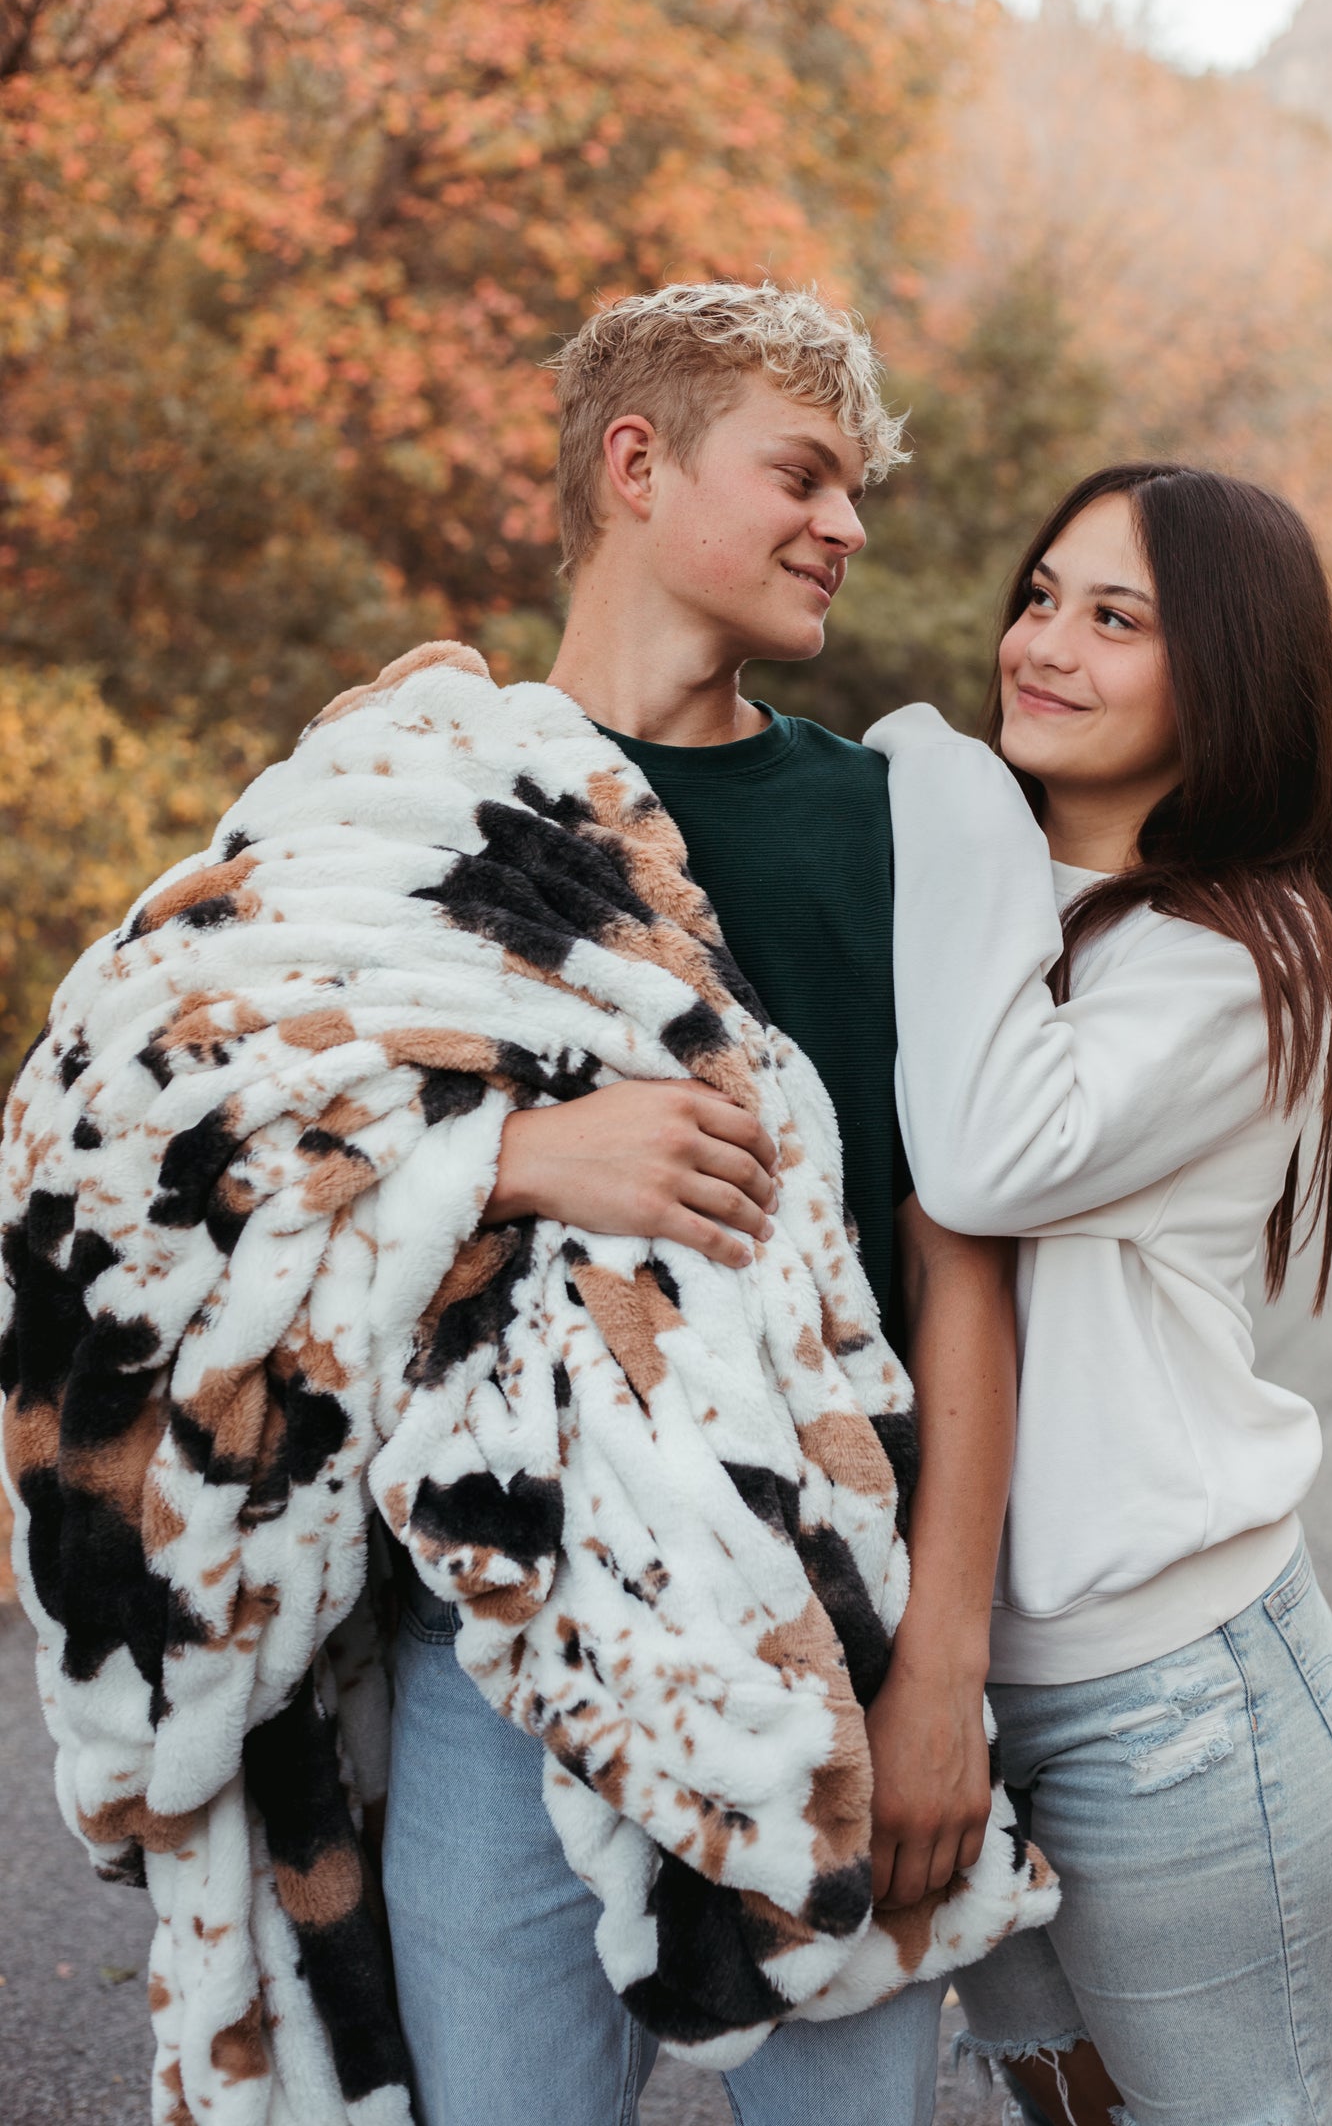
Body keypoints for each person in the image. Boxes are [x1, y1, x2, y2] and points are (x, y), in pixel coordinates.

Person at [374, 282, 1048, 2124]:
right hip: (494, 1632)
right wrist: (506, 1159)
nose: (848, 525)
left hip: (825, 1632)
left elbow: (961, 1263)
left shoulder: (887, 820)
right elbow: (179, 1179)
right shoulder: (414, 799)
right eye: (804, 474)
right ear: (636, 462)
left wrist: (939, 1678)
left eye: (856, 490)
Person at [865, 462, 1332, 2126]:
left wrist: (928, 775)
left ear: (1222, 673)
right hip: (942, 1666)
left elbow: (985, 1163)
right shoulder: (982, 892)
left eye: (1114, 618)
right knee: (1064, 2112)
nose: (1040, 645)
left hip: (1172, 1687)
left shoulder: (1240, 951)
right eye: (1037, 597)